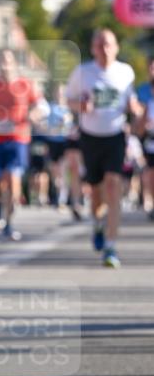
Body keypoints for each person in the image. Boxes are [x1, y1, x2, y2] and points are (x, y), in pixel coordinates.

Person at [66, 29, 139, 267]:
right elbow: (69, 99)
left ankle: (111, 246)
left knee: (113, 185)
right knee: (96, 192)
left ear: (116, 47)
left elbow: (131, 102)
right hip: (90, 137)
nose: (104, 50)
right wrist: (80, 105)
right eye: (100, 45)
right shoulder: (83, 72)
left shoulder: (125, 72)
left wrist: (135, 109)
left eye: (108, 45)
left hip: (115, 135)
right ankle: (97, 224)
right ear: (93, 49)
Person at [0, 49, 39, 241]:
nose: (5, 64)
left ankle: (10, 222)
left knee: (13, 180)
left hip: (17, 138)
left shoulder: (25, 84)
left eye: (8, 60)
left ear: (14, 63)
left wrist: (34, 115)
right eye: (1, 60)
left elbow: (40, 105)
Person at [135, 54, 154, 219]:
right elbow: (138, 112)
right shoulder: (143, 90)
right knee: (149, 170)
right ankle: (149, 201)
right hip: (148, 135)